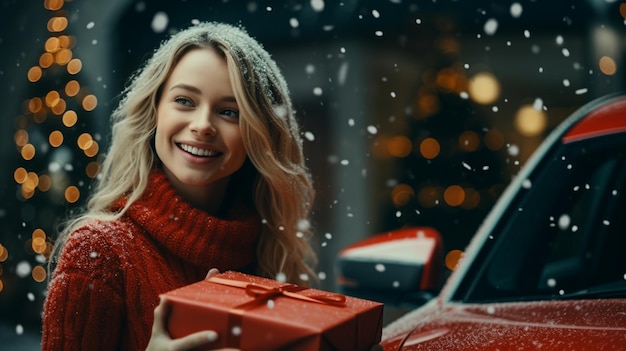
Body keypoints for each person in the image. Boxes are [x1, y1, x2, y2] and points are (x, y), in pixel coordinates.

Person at [42, 21, 317, 350]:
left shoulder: (272, 251)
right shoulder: (97, 253)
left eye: (229, 111)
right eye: (185, 101)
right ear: (155, 110)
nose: (202, 126)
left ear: (260, 134)